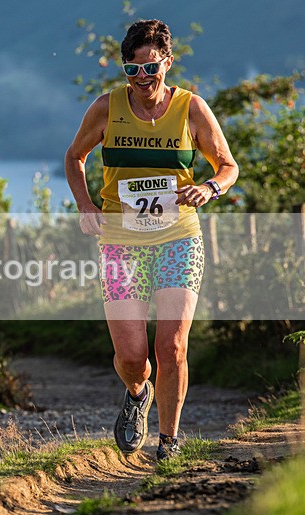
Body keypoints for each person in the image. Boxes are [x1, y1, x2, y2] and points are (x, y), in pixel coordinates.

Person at [64, 20, 238, 460]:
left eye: (150, 67)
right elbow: (75, 157)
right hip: (120, 242)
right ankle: (137, 392)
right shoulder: (106, 108)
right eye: (132, 70)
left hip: (178, 238)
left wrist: (210, 188)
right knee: (132, 355)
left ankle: (169, 440)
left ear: (167, 62)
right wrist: (86, 206)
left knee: (172, 345)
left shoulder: (191, 108)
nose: (142, 78)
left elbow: (228, 166)